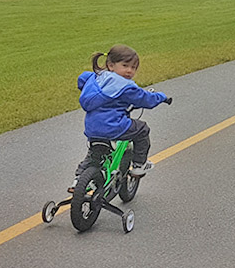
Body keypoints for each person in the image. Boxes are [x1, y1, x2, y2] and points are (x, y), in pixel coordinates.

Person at [70, 44, 171, 191]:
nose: (130, 71)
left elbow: (82, 79)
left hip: (92, 128)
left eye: (134, 68)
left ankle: (78, 180)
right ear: (111, 65)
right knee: (142, 129)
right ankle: (139, 165)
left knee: (94, 155)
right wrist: (161, 97)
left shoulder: (95, 77)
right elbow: (145, 99)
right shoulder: (125, 86)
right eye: (125, 66)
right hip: (114, 126)